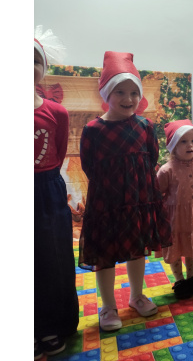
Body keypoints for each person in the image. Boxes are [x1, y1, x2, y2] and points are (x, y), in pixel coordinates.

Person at [79, 51, 172, 331]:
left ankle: (136, 295)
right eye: (120, 91)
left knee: (136, 249)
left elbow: (150, 159)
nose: (128, 98)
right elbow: (88, 166)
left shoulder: (145, 126)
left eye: (133, 92)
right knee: (105, 255)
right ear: (107, 92)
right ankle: (108, 306)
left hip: (139, 199)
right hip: (106, 203)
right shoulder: (93, 130)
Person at [34, 36, 79, 359]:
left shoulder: (57, 113)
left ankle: (51, 325)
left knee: (53, 259)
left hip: (46, 190)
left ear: (44, 67)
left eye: (34, 61)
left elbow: (59, 153)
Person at [157, 120, 193, 299]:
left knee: (192, 245)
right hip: (175, 218)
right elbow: (159, 193)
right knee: (176, 246)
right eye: (184, 141)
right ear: (173, 146)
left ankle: (191, 277)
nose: (190, 145)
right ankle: (179, 280)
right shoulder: (166, 170)